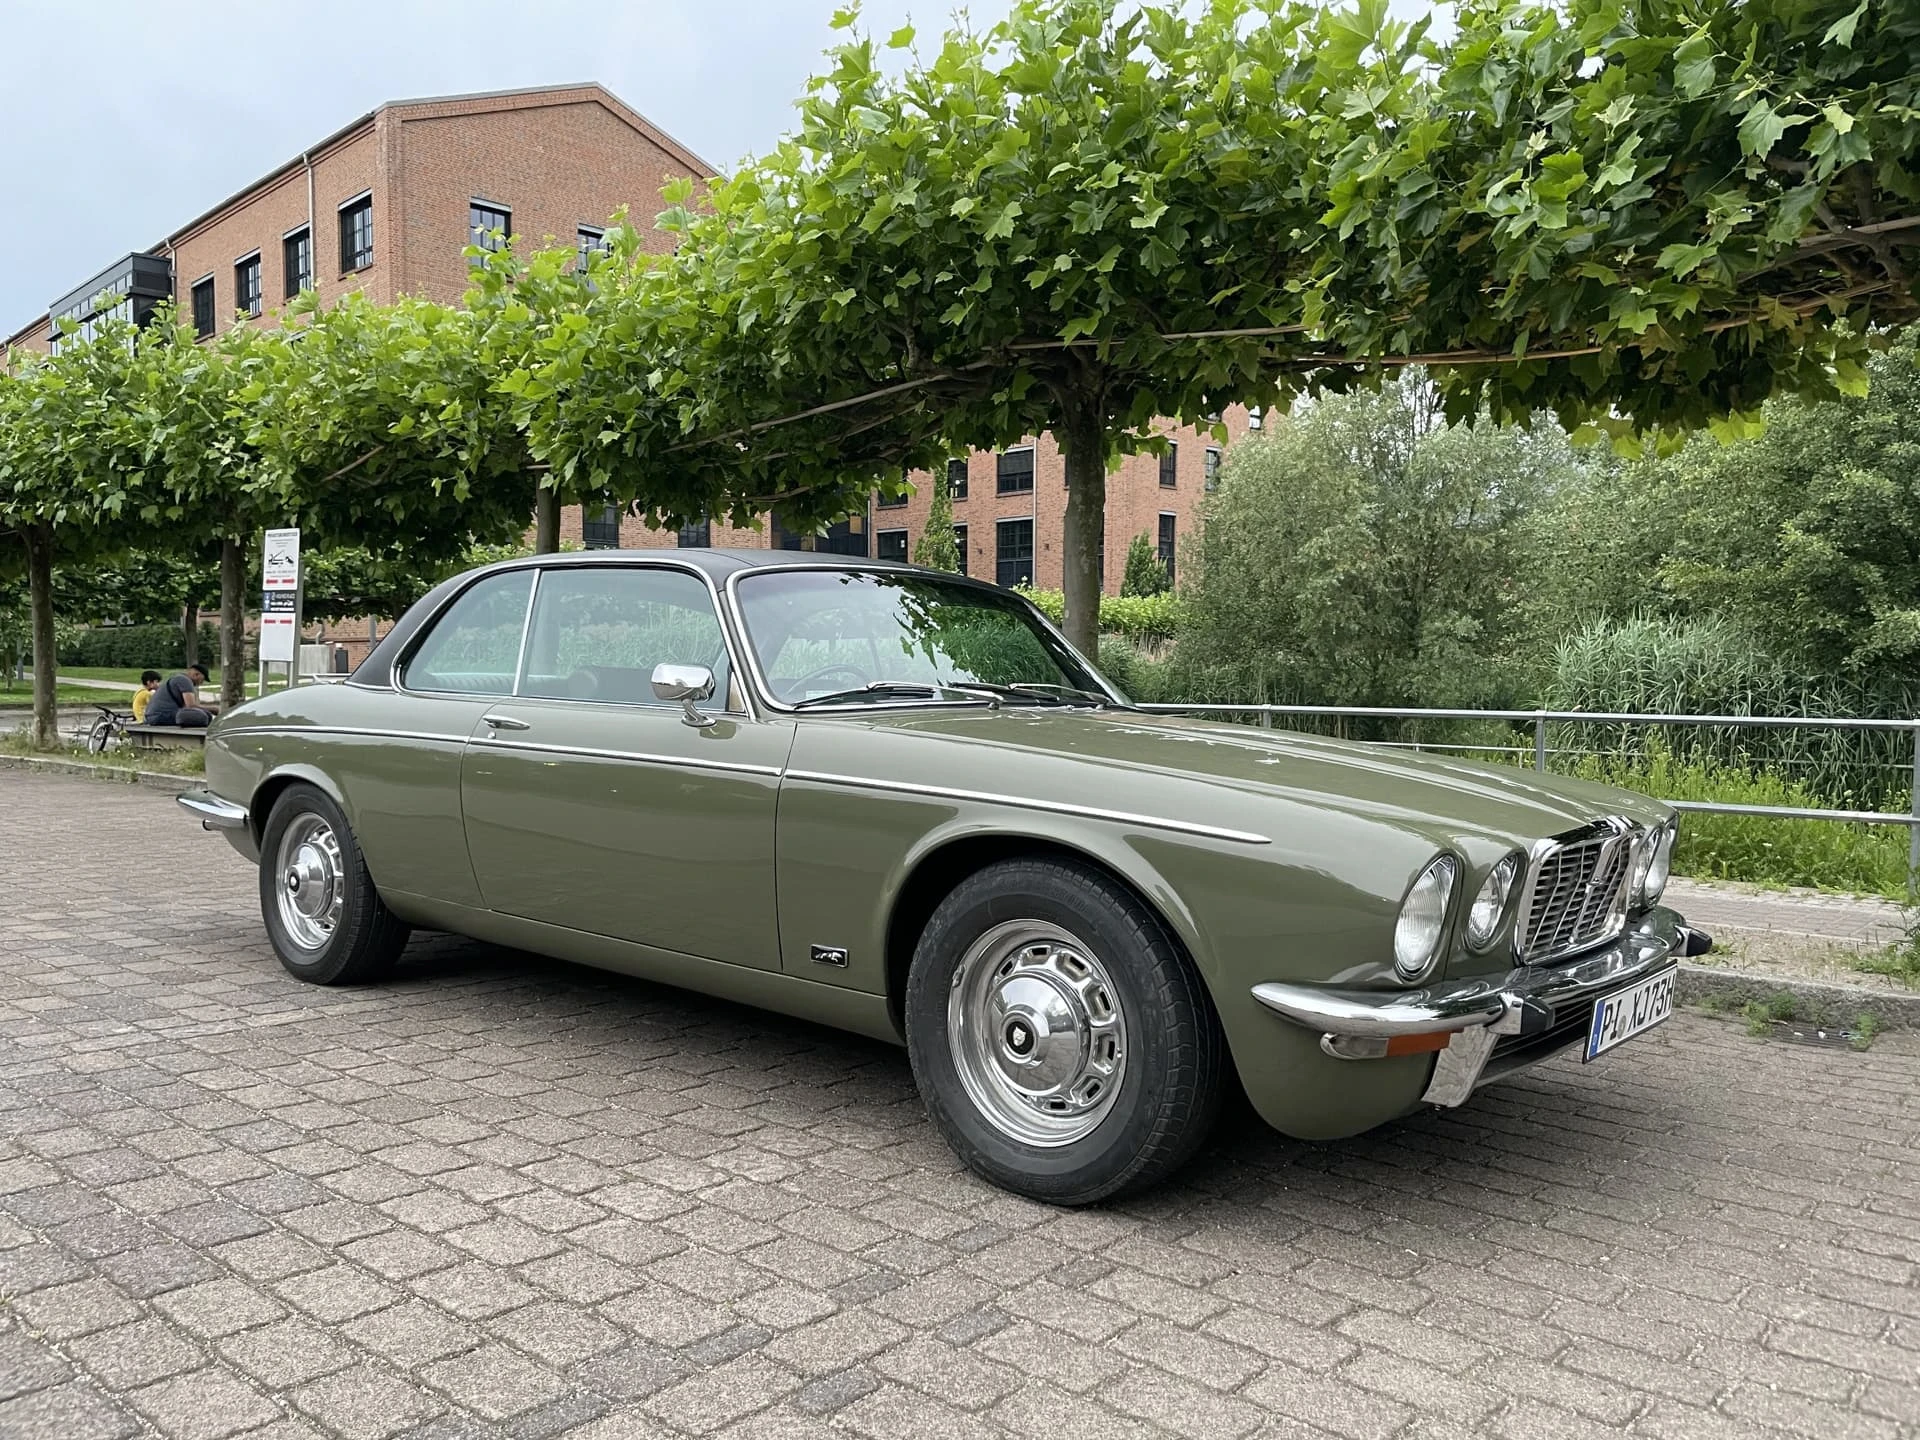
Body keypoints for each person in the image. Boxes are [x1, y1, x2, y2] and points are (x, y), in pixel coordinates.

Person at [144, 662, 212, 728]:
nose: (201, 683)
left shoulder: (179, 678)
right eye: (202, 680)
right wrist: (214, 709)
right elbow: (191, 706)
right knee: (203, 717)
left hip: (153, 716)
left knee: (205, 714)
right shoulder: (185, 680)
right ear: (196, 674)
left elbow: (186, 707)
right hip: (161, 715)